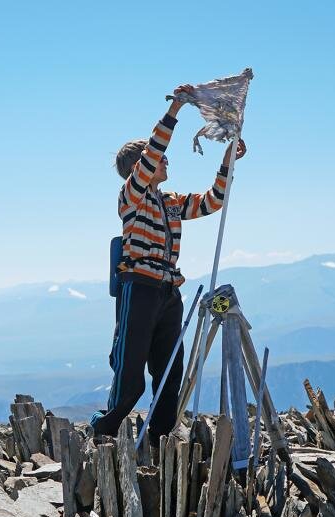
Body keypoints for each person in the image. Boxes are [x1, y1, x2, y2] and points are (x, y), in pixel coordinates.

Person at [92, 84, 247, 447]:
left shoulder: (171, 203)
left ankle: (161, 435)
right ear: (138, 167)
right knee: (130, 371)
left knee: (169, 369)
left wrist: (228, 161)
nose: (165, 161)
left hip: (168, 291)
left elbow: (213, 202)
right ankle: (104, 429)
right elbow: (154, 151)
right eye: (157, 160)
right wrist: (174, 110)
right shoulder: (131, 196)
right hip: (140, 287)